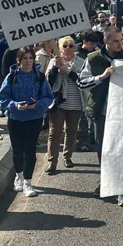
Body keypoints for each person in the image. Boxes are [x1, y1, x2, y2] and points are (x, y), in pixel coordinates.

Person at [77, 26, 123, 206]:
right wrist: (101, 77)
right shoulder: (93, 59)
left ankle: (120, 187)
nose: (120, 44)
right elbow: (81, 82)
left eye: (121, 40)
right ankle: (107, 180)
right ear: (106, 41)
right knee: (104, 149)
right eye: (116, 41)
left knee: (122, 148)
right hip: (101, 112)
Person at [0, 45, 54, 198]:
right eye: (25, 58)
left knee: (30, 151)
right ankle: (19, 176)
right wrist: (15, 105)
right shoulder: (11, 77)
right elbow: (2, 99)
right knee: (17, 151)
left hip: (34, 119)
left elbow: (49, 97)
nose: (28, 61)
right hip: (15, 119)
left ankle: (28, 182)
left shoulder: (40, 76)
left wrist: (38, 104)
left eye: (31, 58)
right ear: (19, 60)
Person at [45, 36, 88, 174]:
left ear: (75, 47)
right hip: (59, 103)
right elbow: (48, 81)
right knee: (55, 132)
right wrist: (55, 69)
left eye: (71, 46)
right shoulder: (54, 60)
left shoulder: (82, 62)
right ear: (60, 48)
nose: (68, 48)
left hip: (75, 102)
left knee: (71, 131)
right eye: (65, 46)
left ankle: (67, 156)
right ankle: (52, 161)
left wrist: (67, 70)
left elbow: (83, 80)